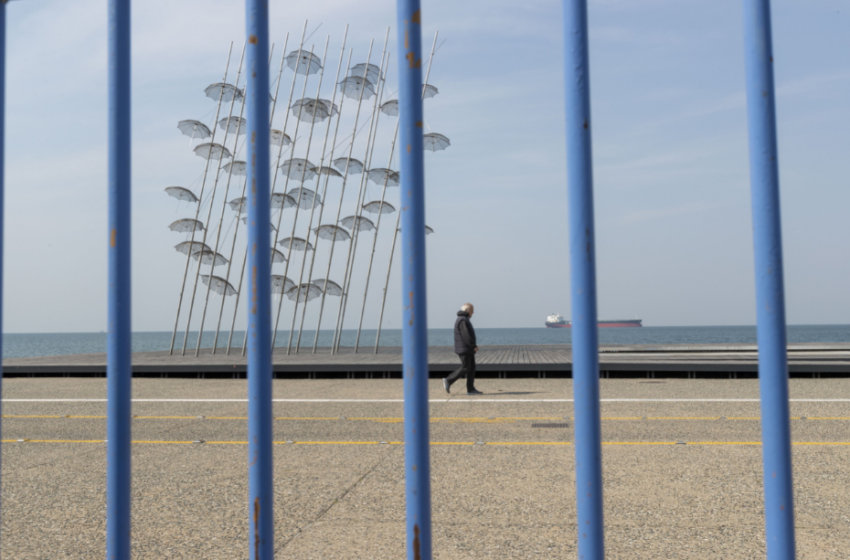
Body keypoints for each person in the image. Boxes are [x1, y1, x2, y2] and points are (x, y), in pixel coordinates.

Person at [443, 303, 482, 395]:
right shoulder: (462, 320)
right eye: (472, 310)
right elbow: (466, 335)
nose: (473, 313)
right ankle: (448, 380)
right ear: (467, 310)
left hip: (467, 349)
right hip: (465, 349)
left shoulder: (464, 319)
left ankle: (471, 389)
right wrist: (473, 345)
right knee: (465, 368)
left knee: (471, 368)